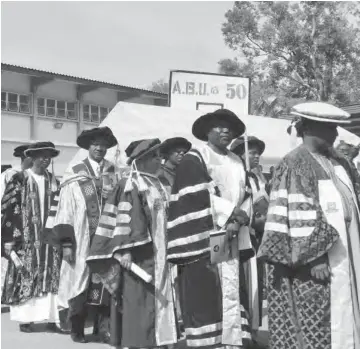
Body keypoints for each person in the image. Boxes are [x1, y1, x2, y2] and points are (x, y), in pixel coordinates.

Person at [258, 102, 360, 349]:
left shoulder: (341, 163)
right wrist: (314, 258)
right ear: (310, 128)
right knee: (321, 321)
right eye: (331, 128)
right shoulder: (294, 163)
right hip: (316, 261)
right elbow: (294, 211)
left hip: (349, 252)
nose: (336, 135)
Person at [167, 109, 255, 348]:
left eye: (230, 128)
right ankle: (208, 342)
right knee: (207, 289)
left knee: (233, 287)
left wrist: (237, 221)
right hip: (206, 236)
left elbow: (247, 194)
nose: (226, 131)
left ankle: (233, 340)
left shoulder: (237, 161)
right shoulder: (195, 157)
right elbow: (195, 195)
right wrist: (230, 215)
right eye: (219, 126)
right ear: (207, 131)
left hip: (233, 234)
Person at [86, 138, 178, 349]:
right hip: (140, 254)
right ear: (142, 160)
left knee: (160, 298)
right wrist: (125, 250)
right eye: (155, 157)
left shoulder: (160, 183)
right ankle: (137, 342)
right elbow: (123, 218)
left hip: (161, 251)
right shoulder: (130, 183)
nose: (160, 161)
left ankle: (159, 340)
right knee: (139, 300)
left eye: (159, 156)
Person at [45, 126, 119, 343]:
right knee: (80, 281)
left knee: (106, 282)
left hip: (107, 238)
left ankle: (103, 328)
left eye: (104, 145)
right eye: (96, 144)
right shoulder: (75, 171)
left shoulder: (113, 172)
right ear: (88, 146)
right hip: (81, 238)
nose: (100, 148)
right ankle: (77, 328)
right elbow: (65, 209)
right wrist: (66, 243)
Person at [1, 142, 62, 333]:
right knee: (25, 273)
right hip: (25, 237)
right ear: (32, 157)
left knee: (52, 274)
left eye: (48, 156)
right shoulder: (20, 179)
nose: (45, 159)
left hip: (49, 239)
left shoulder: (54, 181)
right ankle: (25, 319)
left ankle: (52, 318)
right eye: (41, 155)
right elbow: (8, 209)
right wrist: (9, 238)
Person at [231, 136, 270, 336]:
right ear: (240, 154)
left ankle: (251, 331)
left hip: (255, 238)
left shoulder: (256, 178)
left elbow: (262, 206)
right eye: (252, 152)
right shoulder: (234, 175)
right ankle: (237, 331)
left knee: (254, 283)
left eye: (258, 153)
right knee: (238, 284)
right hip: (235, 236)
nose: (256, 156)